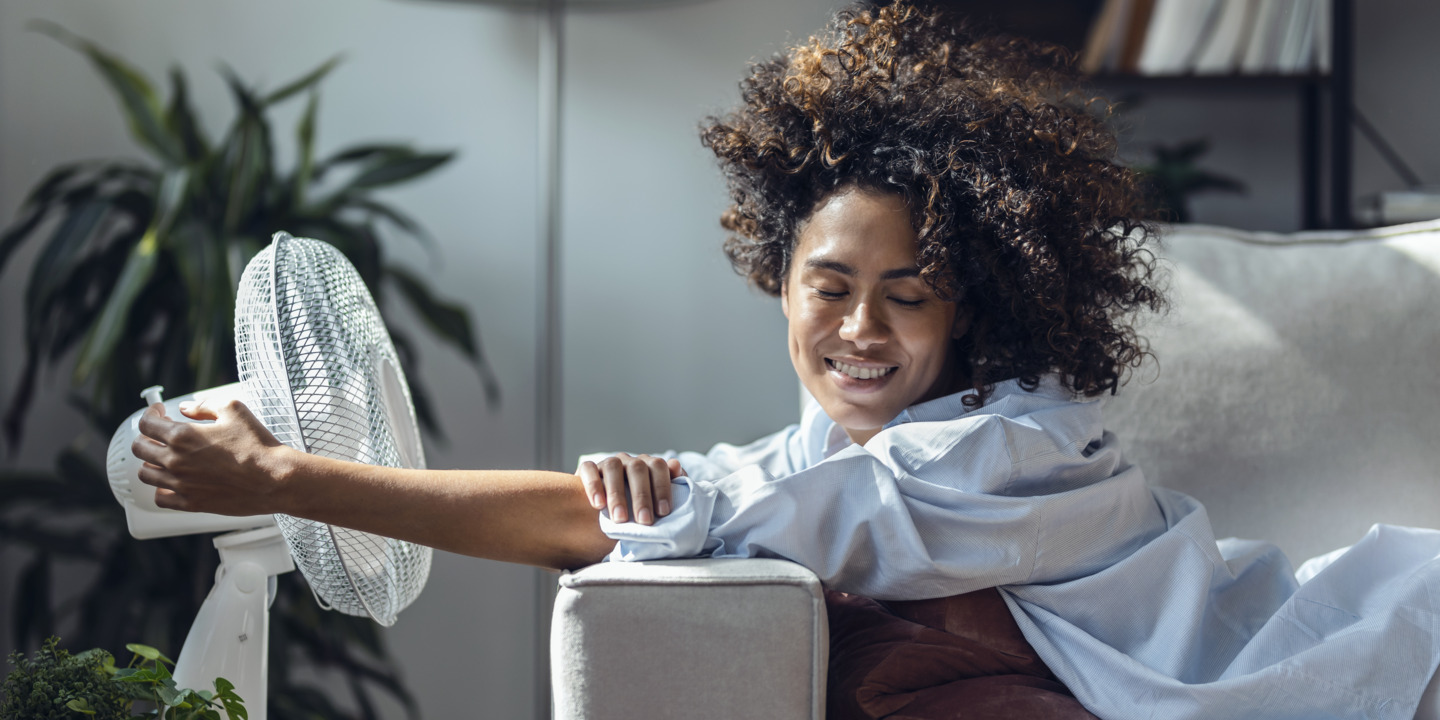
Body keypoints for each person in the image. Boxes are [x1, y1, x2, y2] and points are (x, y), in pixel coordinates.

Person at [132, 3, 1440, 719]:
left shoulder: (1016, 448)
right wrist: (664, 502)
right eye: (829, 287)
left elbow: (581, 527)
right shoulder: (822, 457)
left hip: (1383, 652)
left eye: (908, 297)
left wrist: (288, 474)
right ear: (777, 280)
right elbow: (673, 506)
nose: (861, 329)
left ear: (966, 315)